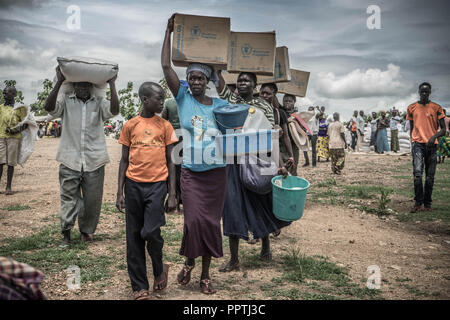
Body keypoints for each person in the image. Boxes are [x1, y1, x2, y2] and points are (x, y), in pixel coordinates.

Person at [162, 14, 231, 294]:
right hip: (190, 172)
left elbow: (225, 83)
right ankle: (189, 260)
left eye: (200, 77)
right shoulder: (182, 99)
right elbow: (166, 65)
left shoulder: (220, 103)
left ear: (208, 80)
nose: (195, 81)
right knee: (193, 221)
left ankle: (203, 274)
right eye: (191, 77)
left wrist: (217, 58)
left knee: (210, 224)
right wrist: (167, 33)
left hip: (216, 174)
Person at [215, 60, 291, 273]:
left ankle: (266, 246)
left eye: (247, 80)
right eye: (239, 80)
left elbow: (270, 137)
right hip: (232, 161)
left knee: (259, 202)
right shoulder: (230, 101)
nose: (242, 83)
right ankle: (234, 259)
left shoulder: (265, 106)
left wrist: (276, 165)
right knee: (232, 207)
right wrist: (216, 67)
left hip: (257, 161)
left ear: (255, 86)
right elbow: (220, 84)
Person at [44, 66, 119, 247]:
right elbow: (49, 108)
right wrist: (59, 81)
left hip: (95, 160)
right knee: (68, 198)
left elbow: (114, 111)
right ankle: (66, 234)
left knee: (92, 200)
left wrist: (112, 85)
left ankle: (86, 231)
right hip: (70, 158)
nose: (83, 88)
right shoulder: (66, 101)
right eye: (79, 85)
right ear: (74, 86)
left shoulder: (99, 102)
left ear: (92, 86)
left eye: (86, 85)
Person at [116, 82, 177, 300]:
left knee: (151, 232)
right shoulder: (130, 125)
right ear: (144, 99)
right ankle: (139, 286)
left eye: (163, 98)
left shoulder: (165, 126)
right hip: (133, 185)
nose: (162, 102)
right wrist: (119, 192)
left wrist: (173, 193)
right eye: (158, 98)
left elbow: (171, 162)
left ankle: (159, 267)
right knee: (133, 237)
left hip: (157, 186)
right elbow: (124, 161)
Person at [406, 82, 446, 213]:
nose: (424, 94)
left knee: (430, 177)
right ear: (419, 92)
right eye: (422, 91)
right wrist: (413, 141)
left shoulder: (437, 108)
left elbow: (444, 130)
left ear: (430, 92)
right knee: (417, 174)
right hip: (417, 145)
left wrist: (433, 137)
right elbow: (412, 127)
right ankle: (418, 203)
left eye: (426, 91)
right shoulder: (411, 108)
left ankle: (427, 204)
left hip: (432, 146)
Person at [260, 83, 295, 172]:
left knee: (279, 176)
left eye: (268, 94)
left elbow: (285, 137)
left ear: (274, 95)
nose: (264, 96)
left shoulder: (279, 113)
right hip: (259, 152)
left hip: (276, 152)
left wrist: (291, 156)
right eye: (262, 93)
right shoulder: (254, 111)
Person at [0, 86, 28, 195]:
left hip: (14, 138)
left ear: (14, 94)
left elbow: (26, 124)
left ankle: (8, 187)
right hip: (1, 137)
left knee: (10, 163)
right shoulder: (1, 107)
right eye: (3, 93)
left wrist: (14, 130)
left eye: (6, 93)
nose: (4, 95)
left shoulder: (20, 108)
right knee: (0, 162)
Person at [161, 97, 183, 213]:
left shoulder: (169, 102)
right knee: (181, 171)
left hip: (171, 138)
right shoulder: (187, 101)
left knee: (172, 169)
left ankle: (173, 199)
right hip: (186, 138)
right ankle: (179, 201)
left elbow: (163, 120)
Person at [282, 94, 300, 172]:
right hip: (282, 146)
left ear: (294, 102)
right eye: (286, 101)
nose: (287, 103)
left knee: (293, 167)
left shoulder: (298, 116)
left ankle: (292, 183)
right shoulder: (280, 112)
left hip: (294, 145)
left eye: (290, 101)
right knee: (283, 167)